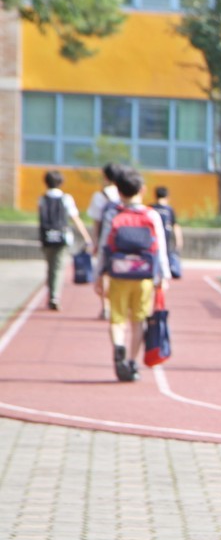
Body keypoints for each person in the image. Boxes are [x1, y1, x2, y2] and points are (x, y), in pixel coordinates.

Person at [94, 167, 171, 382]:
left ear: (119, 192)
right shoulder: (151, 215)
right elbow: (161, 249)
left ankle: (118, 346)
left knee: (117, 320)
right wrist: (163, 277)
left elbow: (104, 246)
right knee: (138, 321)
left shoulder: (114, 213)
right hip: (144, 276)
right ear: (143, 190)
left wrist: (99, 275)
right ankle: (132, 362)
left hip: (118, 274)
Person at [37, 170, 92, 311]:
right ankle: (55, 296)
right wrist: (86, 237)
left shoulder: (42, 199)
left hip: (47, 237)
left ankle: (51, 295)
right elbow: (75, 219)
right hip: (62, 238)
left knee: (50, 267)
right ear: (61, 183)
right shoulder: (66, 198)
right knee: (58, 267)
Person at [87, 163, 122, 319]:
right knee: (120, 272)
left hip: (105, 239)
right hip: (122, 240)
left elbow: (96, 222)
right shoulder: (124, 193)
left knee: (104, 272)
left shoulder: (99, 195)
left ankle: (105, 307)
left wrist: (94, 242)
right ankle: (117, 304)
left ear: (105, 176)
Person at [150, 185, 183, 278]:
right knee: (164, 256)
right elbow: (175, 226)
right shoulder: (169, 209)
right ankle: (163, 277)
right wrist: (179, 240)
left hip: (151, 238)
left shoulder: (150, 208)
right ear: (167, 196)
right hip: (165, 237)